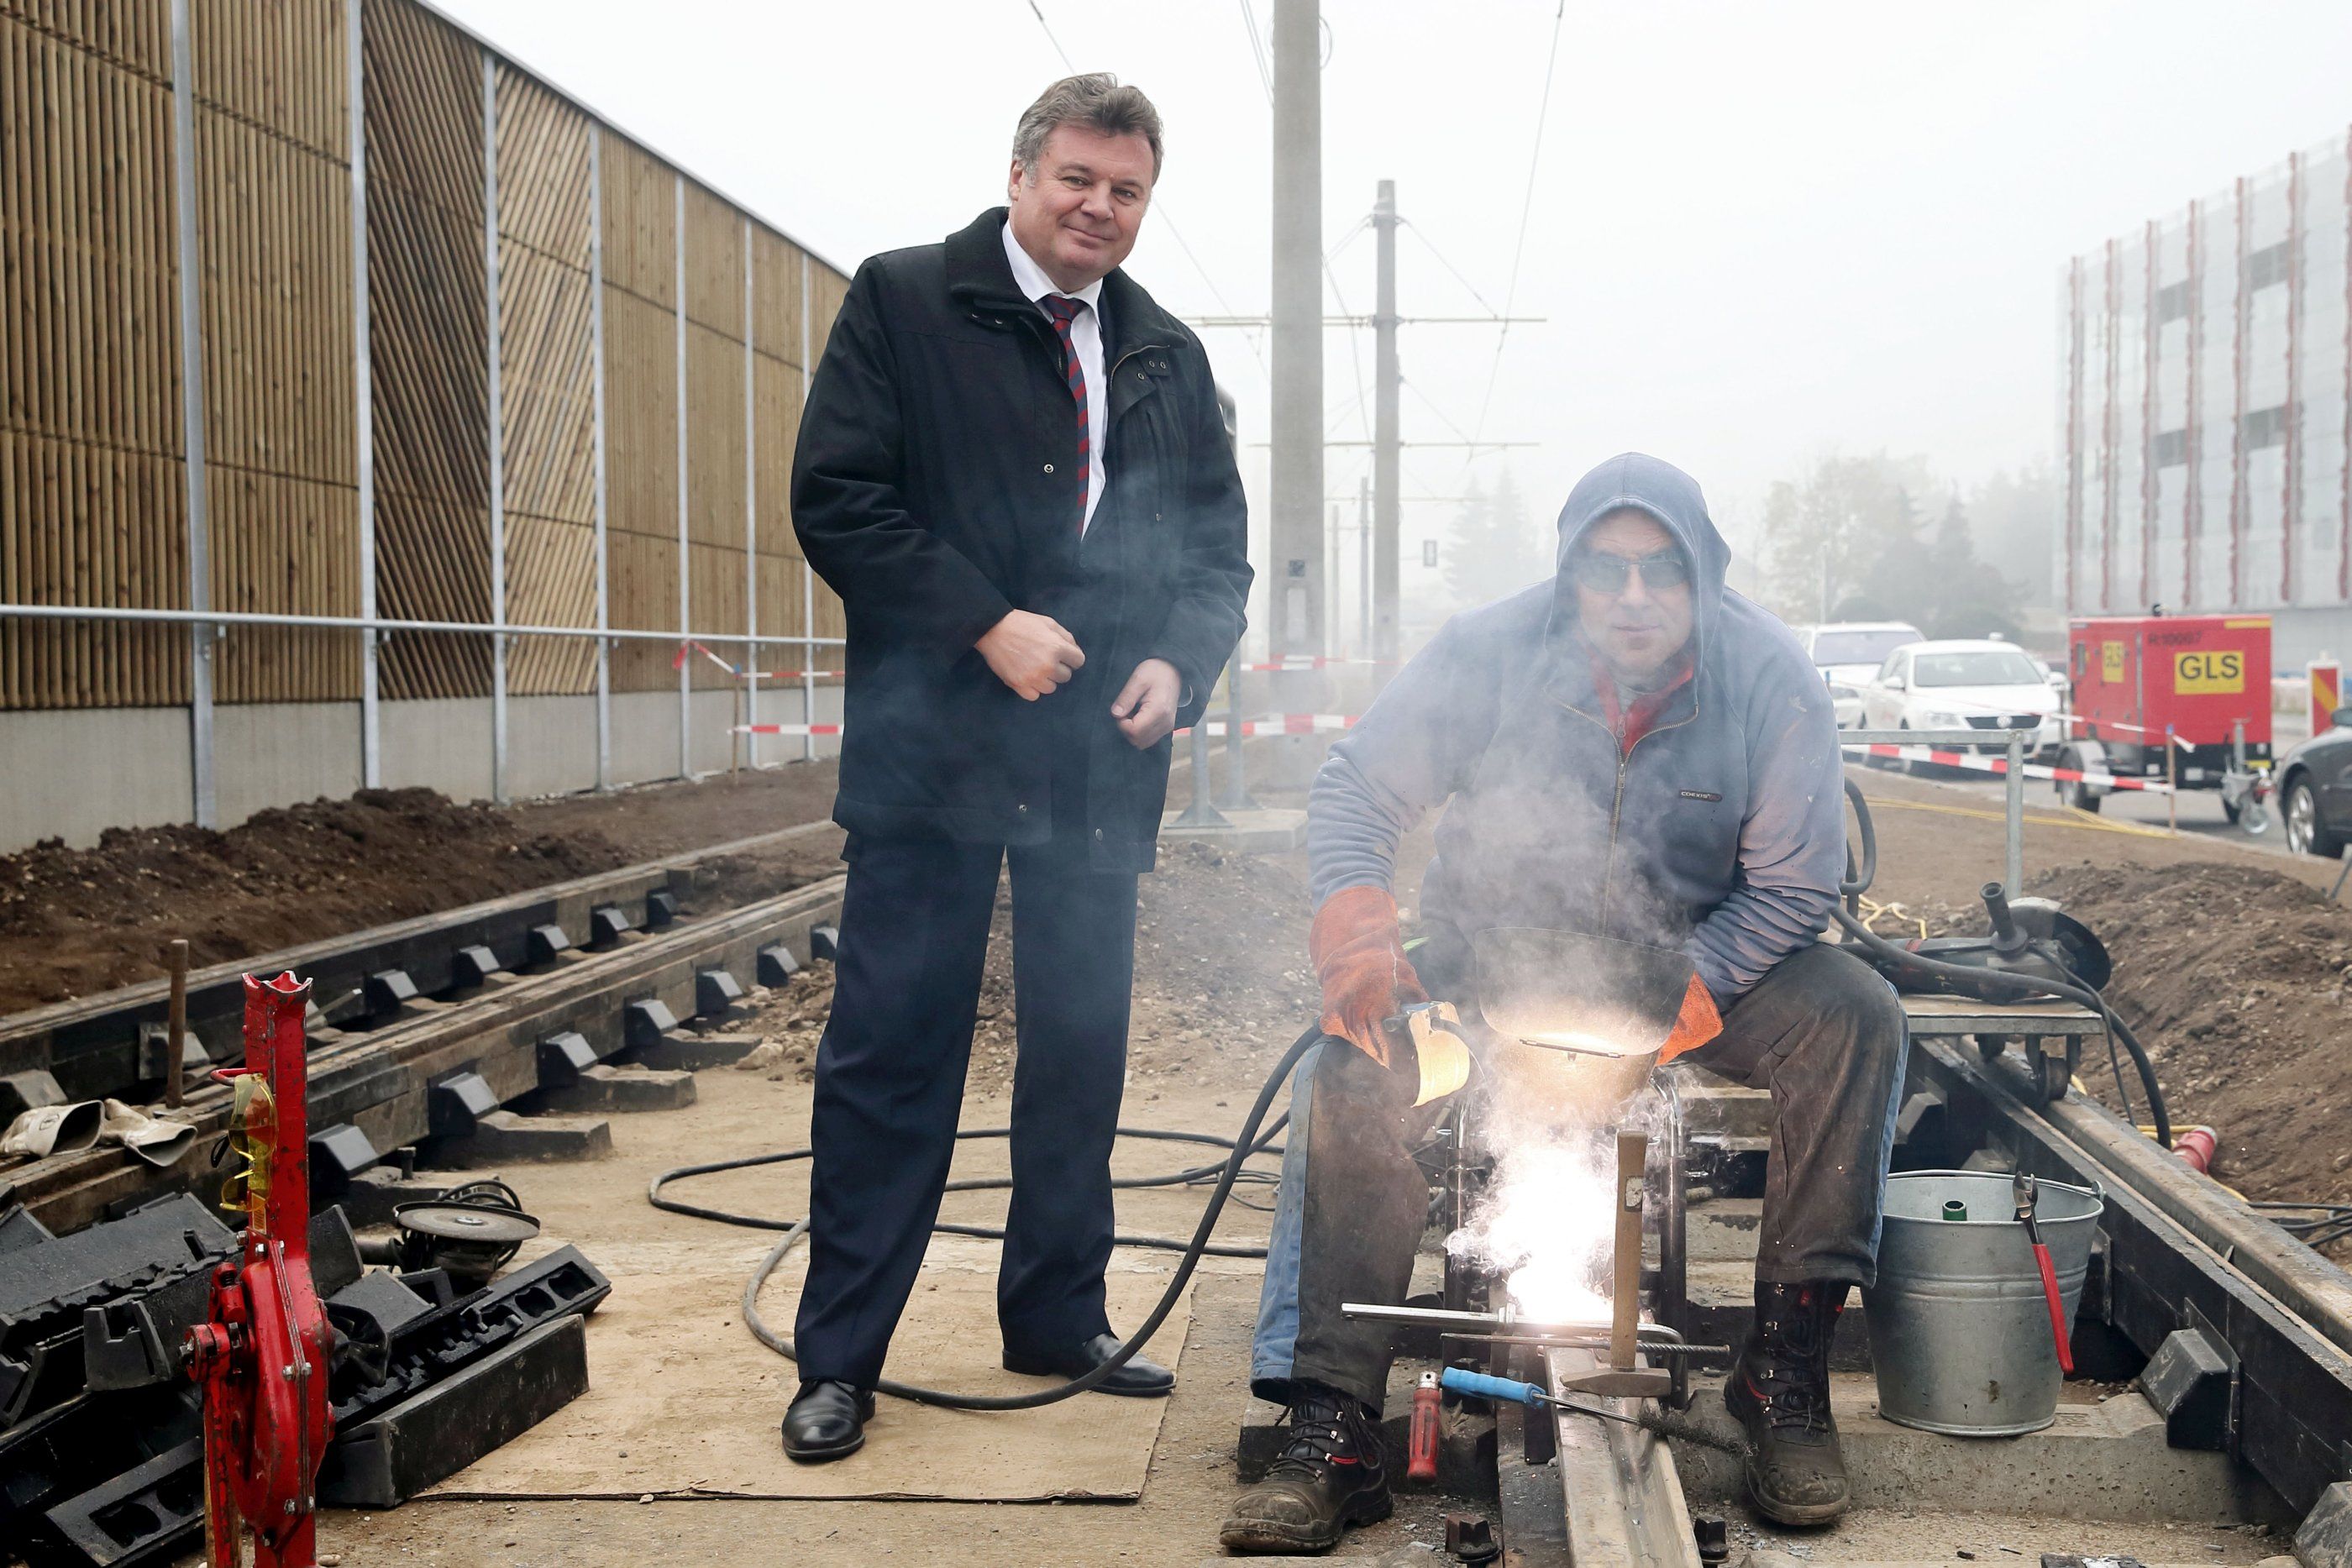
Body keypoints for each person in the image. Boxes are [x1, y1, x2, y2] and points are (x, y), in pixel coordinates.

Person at [1220, 453, 1905, 1553]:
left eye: (1661, 574)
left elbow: (1792, 886)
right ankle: (1332, 1418)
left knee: (1857, 1018)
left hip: (1699, 961)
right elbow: (1358, 786)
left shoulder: (1769, 675)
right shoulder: (1485, 652)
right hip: (1495, 964)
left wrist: (1680, 1001)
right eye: (1606, 572)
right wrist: (1356, 926)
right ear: (1569, 577)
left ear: (1704, 575)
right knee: (1352, 1065)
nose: (1633, 599)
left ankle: (1781, 1376)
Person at [782, 74, 1251, 1463]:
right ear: (1021, 173)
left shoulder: (1162, 349)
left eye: (1127, 192)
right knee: (891, 1054)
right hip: (936, 761)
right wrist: (981, 620)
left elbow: (1216, 550)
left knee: (1080, 1054)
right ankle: (840, 1361)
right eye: (1078, 182)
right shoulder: (905, 302)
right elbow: (838, 499)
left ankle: (1056, 1316)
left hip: (1099, 771)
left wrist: (1181, 661)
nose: (1100, 209)